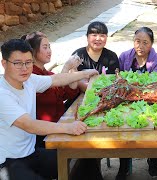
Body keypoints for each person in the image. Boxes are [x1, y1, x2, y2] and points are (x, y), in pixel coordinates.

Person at [0, 39, 98, 180]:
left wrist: (85, 73)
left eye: (28, 62)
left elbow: (57, 79)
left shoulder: (29, 80)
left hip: (31, 153)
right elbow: (29, 125)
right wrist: (69, 128)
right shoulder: (2, 93)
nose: (24, 68)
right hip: (8, 162)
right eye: (17, 63)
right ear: (4, 64)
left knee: (83, 156)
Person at [117, 27, 157, 180]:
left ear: (151, 44)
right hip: (127, 102)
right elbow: (118, 81)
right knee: (122, 130)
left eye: (145, 42)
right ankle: (123, 167)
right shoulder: (124, 57)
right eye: (137, 41)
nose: (140, 46)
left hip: (150, 102)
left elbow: (155, 84)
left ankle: (153, 162)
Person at [23, 31, 81, 147]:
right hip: (44, 133)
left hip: (60, 125)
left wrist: (73, 70)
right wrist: (65, 69)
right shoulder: (30, 76)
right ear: (33, 51)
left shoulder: (48, 73)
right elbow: (51, 97)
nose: (49, 51)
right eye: (45, 47)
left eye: (49, 47)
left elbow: (69, 93)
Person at [72, 21, 120, 92]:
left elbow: (115, 79)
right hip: (80, 95)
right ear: (87, 37)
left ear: (106, 37)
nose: (98, 39)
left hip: (106, 94)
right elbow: (72, 79)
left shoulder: (111, 56)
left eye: (102, 35)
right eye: (94, 35)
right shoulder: (78, 55)